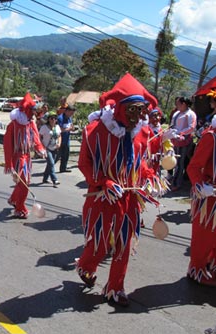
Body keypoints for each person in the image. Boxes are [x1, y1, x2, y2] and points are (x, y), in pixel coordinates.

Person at [76, 73, 168, 307]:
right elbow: (84, 163)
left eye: (141, 112)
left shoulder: (141, 134)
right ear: (120, 108)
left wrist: (149, 177)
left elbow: (141, 163)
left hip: (130, 199)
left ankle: (115, 288)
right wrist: (103, 181)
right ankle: (85, 266)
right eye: (134, 111)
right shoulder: (95, 131)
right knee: (101, 244)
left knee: (124, 244)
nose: (138, 118)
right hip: (102, 198)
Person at [3, 92, 46, 219]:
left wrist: (40, 149)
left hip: (27, 156)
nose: (34, 113)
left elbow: (36, 137)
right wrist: (9, 164)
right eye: (32, 110)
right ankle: (20, 207)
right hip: (17, 157)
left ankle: (13, 199)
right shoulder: (13, 125)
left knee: (24, 182)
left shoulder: (30, 123)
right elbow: (7, 145)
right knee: (24, 183)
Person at [186, 115, 216, 287]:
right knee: (203, 235)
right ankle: (196, 269)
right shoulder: (211, 136)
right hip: (208, 196)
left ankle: (212, 266)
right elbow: (193, 167)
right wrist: (201, 186)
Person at [170, 96, 196, 191]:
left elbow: (191, 127)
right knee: (175, 161)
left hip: (184, 140)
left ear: (184, 104)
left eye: (178, 103)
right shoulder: (177, 113)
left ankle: (177, 183)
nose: (177, 105)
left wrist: (181, 133)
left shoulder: (190, 114)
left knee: (180, 162)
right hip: (175, 139)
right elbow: (173, 124)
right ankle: (175, 180)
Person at [39, 111, 61, 187]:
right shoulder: (44, 127)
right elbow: (40, 137)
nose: (53, 120)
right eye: (51, 118)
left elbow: (59, 136)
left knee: (50, 164)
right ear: (48, 119)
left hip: (54, 148)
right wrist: (42, 146)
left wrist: (59, 144)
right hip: (46, 148)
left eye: (55, 118)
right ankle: (54, 180)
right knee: (51, 163)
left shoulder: (57, 127)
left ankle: (45, 178)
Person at [57, 105, 75, 172]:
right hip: (60, 139)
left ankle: (63, 168)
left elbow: (70, 126)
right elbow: (59, 129)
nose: (71, 115)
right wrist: (68, 129)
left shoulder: (69, 118)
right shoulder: (60, 118)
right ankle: (49, 168)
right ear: (66, 111)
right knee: (57, 156)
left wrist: (72, 129)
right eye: (71, 113)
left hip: (67, 139)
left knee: (66, 155)